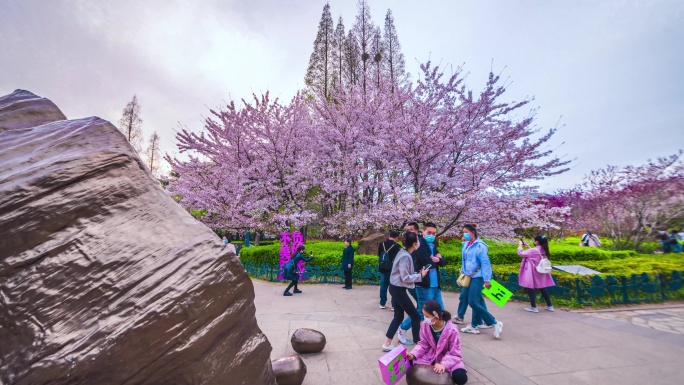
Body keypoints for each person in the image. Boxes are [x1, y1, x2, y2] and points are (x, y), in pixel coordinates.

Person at [398, 222, 447, 344]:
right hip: (424, 285)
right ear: (423, 232)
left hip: (435, 285)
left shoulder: (432, 245)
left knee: (440, 311)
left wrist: (439, 259)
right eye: (429, 233)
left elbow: (443, 261)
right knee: (421, 311)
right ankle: (402, 328)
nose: (431, 235)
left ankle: (439, 335)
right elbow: (427, 263)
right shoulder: (419, 245)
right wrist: (437, 259)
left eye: (434, 233)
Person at [382, 231, 429, 352]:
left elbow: (405, 274)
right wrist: (421, 276)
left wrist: (417, 274)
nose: (419, 243)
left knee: (398, 316)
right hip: (398, 289)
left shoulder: (403, 253)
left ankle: (387, 343)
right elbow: (405, 277)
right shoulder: (405, 256)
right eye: (417, 241)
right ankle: (418, 346)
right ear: (414, 243)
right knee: (415, 316)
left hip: (397, 288)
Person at [407, 300, 468, 385]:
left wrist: (444, 364)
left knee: (461, 378)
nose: (424, 318)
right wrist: (413, 354)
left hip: (447, 357)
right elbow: (423, 344)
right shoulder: (425, 325)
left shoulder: (452, 330)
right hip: (431, 355)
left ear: (436, 316)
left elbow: (455, 353)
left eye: (426, 316)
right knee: (408, 360)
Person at [459, 224, 504, 339]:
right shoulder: (466, 245)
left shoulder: (480, 246)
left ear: (472, 233)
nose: (464, 234)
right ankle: (474, 325)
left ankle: (494, 322)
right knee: (475, 300)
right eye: (463, 232)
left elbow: (485, 263)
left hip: (477, 277)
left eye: (466, 232)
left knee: (473, 302)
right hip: (468, 276)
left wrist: (487, 279)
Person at [518, 236, 555, 312]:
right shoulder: (544, 249)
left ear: (537, 242)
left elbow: (521, 253)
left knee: (530, 287)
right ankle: (549, 305)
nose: (533, 241)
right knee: (542, 287)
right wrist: (529, 248)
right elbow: (535, 254)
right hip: (541, 271)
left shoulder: (533, 250)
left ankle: (533, 307)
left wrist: (520, 246)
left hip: (533, 271)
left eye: (535, 240)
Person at [378, 231, 401, 309]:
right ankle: (393, 305)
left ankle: (382, 303)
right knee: (393, 286)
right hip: (392, 268)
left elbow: (379, 254)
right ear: (396, 237)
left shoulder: (382, 244)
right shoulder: (397, 246)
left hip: (383, 267)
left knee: (383, 286)